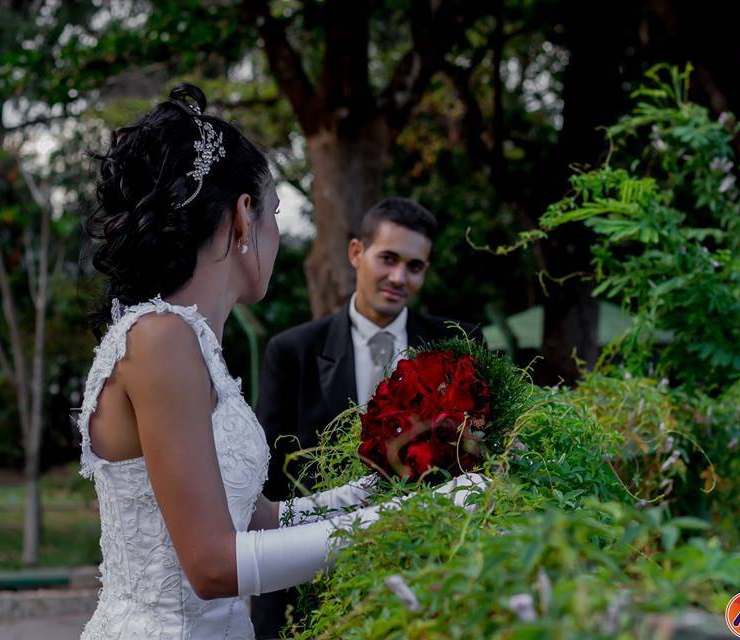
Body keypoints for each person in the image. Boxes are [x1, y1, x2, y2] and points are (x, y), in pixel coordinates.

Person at [76, 84, 486, 640]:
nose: (275, 234)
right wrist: (419, 517)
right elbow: (213, 566)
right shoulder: (161, 338)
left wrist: (385, 485)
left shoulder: (191, 344)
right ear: (244, 217)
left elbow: (256, 520)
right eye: (273, 213)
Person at [252, 198, 482, 636]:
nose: (399, 277)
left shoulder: (459, 346)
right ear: (357, 252)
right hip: (319, 586)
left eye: (415, 266)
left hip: (431, 579)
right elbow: (271, 484)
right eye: (389, 258)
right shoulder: (292, 352)